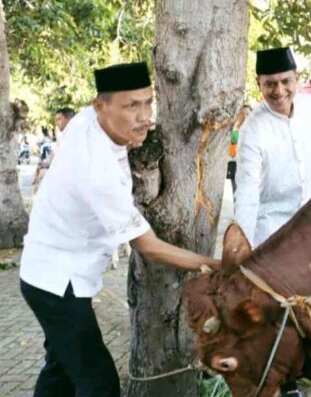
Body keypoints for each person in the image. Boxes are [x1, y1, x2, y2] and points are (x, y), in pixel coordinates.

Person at [19, 62, 221, 397]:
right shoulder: (99, 172)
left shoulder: (86, 121)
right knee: (98, 383)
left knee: (60, 370)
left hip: (48, 273)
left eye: (147, 102)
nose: (145, 116)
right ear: (101, 107)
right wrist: (214, 264)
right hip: (57, 285)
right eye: (131, 106)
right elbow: (149, 246)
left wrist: (128, 132)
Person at [233, 47, 311, 396]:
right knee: (279, 310)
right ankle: (285, 383)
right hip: (270, 227)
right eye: (269, 84)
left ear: (297, 79)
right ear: (259, 85)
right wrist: (243, 246)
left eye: (285, 81)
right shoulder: (253, 130)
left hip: (308, 221)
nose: (279, 90)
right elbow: (247, 193)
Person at [32, 107, 76, 194]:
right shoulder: (63, 136)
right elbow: (55, 152)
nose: (57, 123)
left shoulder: (76, 135)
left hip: (71, 177)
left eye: (59, 119)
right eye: (56, 120)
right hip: (63, 174)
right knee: (40, 173)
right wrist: (46, 163)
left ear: (69, 119)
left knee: (43, 177)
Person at [227, 103, 252, 199]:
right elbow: (231, 151)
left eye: (247, 114)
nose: (245, 116)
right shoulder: (232, 131)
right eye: (242, 113)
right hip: (234, 167)